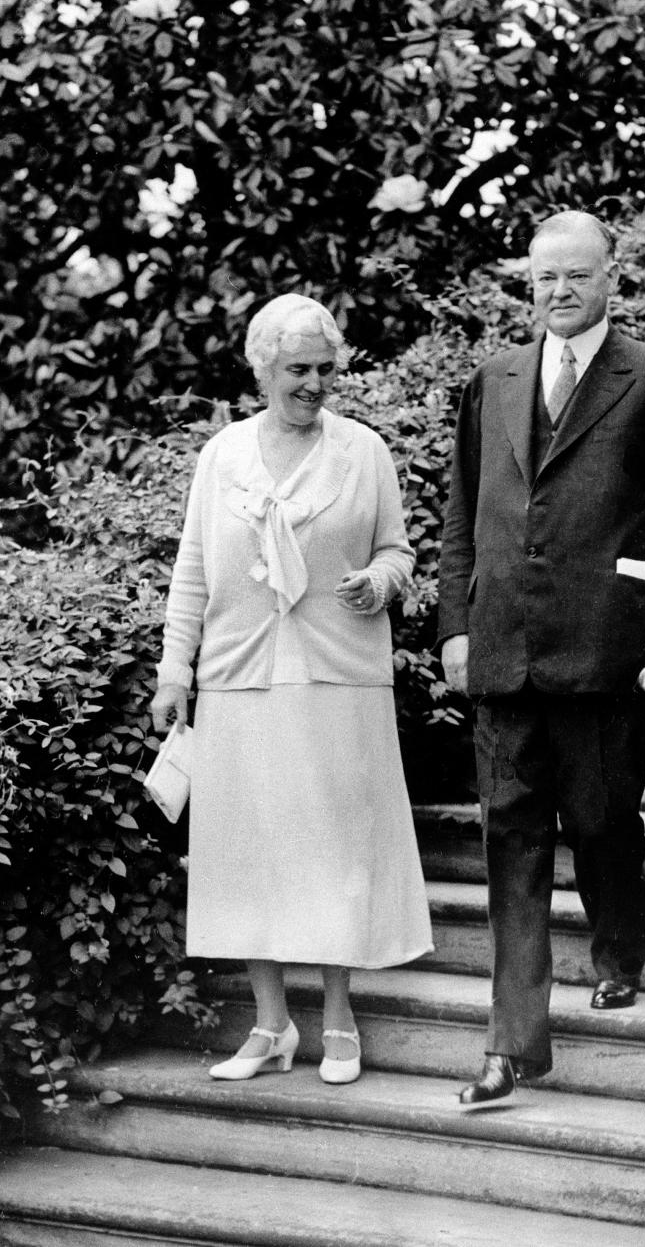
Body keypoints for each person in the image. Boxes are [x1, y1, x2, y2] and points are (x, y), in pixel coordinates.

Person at [437, 210, 645, 1108]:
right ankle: (510, 1045)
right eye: (543, 279)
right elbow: (459, 516)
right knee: (511, 843)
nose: (557, 293)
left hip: (608, 653)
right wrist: (454, 625)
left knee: (602, 825)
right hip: (505, 654)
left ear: (609, 279)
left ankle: (620, 949)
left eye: (575, 277)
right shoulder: (494, 378)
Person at [150, 292, 433, 1085]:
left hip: (339, 676)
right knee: (249, 852)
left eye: (325, 369)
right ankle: (270, 1025)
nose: (314, 384)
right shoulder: (224, 457)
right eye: (298, 370)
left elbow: (398, 551)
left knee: (336, 846)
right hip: (239, 677)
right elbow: (194, 573)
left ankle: (339, 1020)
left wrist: (379, 584)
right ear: (262, 368)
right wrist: (177, 672)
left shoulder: (363, 452)